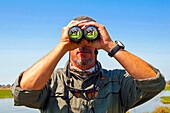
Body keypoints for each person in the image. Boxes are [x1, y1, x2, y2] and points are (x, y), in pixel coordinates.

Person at [11, 16, 166, 113]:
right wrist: (62, 46)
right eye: (76, 40)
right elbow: (22, 92)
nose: (82, 45)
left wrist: (110, 45)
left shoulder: (117, 81)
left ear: (97, 47)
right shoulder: (51, 80)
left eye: (90, 39)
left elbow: (155, 83)